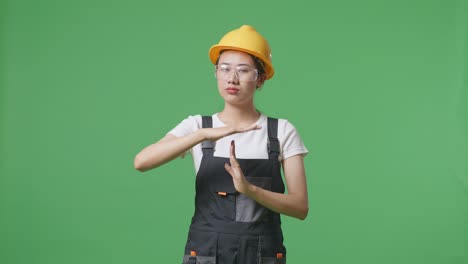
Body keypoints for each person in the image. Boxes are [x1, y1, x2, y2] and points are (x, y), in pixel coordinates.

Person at [134, 25, 309, 264]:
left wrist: (250, 190)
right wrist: (204, 135)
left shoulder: (281, 131)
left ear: (261, 78)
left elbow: (300, 207)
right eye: (224, 69)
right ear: (216, 73)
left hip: (263, 254)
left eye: (243, 70)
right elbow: (141, 162)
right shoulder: (197, 126)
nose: (232, 78)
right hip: (206, 252)